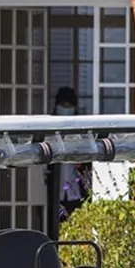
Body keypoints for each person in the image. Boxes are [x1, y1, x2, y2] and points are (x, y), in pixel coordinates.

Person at [51, 87, 92, 220]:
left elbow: (90, 158)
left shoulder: (80, 130)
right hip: (55, 191)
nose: (66, 109)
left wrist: (82, 164)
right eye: (63, 105)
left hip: (75, 191)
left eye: (69, 106)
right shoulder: (49, 129)